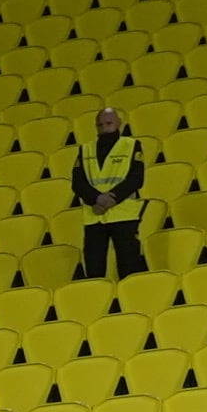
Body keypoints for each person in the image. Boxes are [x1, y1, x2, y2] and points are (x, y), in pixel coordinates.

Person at [73, 106, 148, 281]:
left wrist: (112, 197)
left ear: (119, 123)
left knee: (129, 267)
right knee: (94, 269)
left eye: (108, 123)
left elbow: (136, 178)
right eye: (100, 125)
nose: (104, 128)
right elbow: (78, 183)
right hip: (95, 216)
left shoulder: (131, 145)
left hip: (123, 214)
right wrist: (96, 199)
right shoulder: (85, 150)